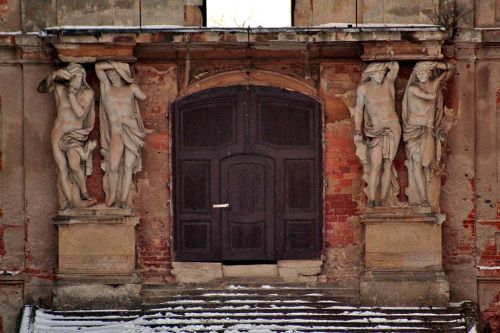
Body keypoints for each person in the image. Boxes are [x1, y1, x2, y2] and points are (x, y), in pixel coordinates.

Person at [37, 63, 96, 210]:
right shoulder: (60, 87)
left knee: (74, 166)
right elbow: (41, 88)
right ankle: (70, 203)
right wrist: (53, 75)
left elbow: (80, 113)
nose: (76, 79)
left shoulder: (87, 93)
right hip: (58, 132)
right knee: (62, 168)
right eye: (73, 76)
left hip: (74, 135)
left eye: (79, 76)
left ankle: (84, 193)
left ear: (83, 77)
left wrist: (71, 94)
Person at [95, 61, 146, 208]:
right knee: (113, 165)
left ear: (121, 73)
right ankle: (112, 195)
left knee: (128, 167)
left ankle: (123, 200)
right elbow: (98, 67)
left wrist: (133, 86)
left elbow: (143, 97)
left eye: (114, 72)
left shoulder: (130, 88)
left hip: (132, 129)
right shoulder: (107, 89)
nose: (111, 74)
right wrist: (115, 64)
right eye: (110, 72)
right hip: (116, 131)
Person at [402, 61, 454, 206]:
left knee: (428, 163)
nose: (421, 75)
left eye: (424, 72)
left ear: (429, 72)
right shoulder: (413, 88)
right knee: (417, 164)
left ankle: (427, 197)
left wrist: (438, 65)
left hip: (428, 129)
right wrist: (438, 77)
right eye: (419, 73)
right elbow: (430, 96)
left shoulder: (432, 85)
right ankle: (423, 198)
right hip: (414, 129)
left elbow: (451, 69)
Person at [354, 62, 401, 208]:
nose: (381, 75)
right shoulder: (364, 88)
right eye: (378, 72)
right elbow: (359, 111)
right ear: (371, 73)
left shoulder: (387, 83)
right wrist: (357, 129)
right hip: (375, 130)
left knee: (388, 164)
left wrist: (388, 63)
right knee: (375, 164)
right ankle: (371, 198)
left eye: (382, 72)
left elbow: (395, 67)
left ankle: (382, 200)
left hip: (393, 128)